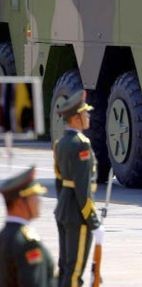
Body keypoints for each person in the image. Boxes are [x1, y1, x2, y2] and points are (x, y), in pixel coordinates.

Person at [53, 90, 103, 287]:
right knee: (75, 272)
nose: (88, 116)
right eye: (85, 113)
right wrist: (94, 222)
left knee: (65, 266)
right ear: (75, 118)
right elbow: (83, 190)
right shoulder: (81, 145)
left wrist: (63, 206)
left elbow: (59, 181)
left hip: (63, 210)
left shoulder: (60, 144)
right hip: (77, 214)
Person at [0, 166, 55, 286]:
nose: (39, 201)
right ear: (20, 203)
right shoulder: (27, 244)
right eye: (34, 197)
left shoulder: (4, 236)